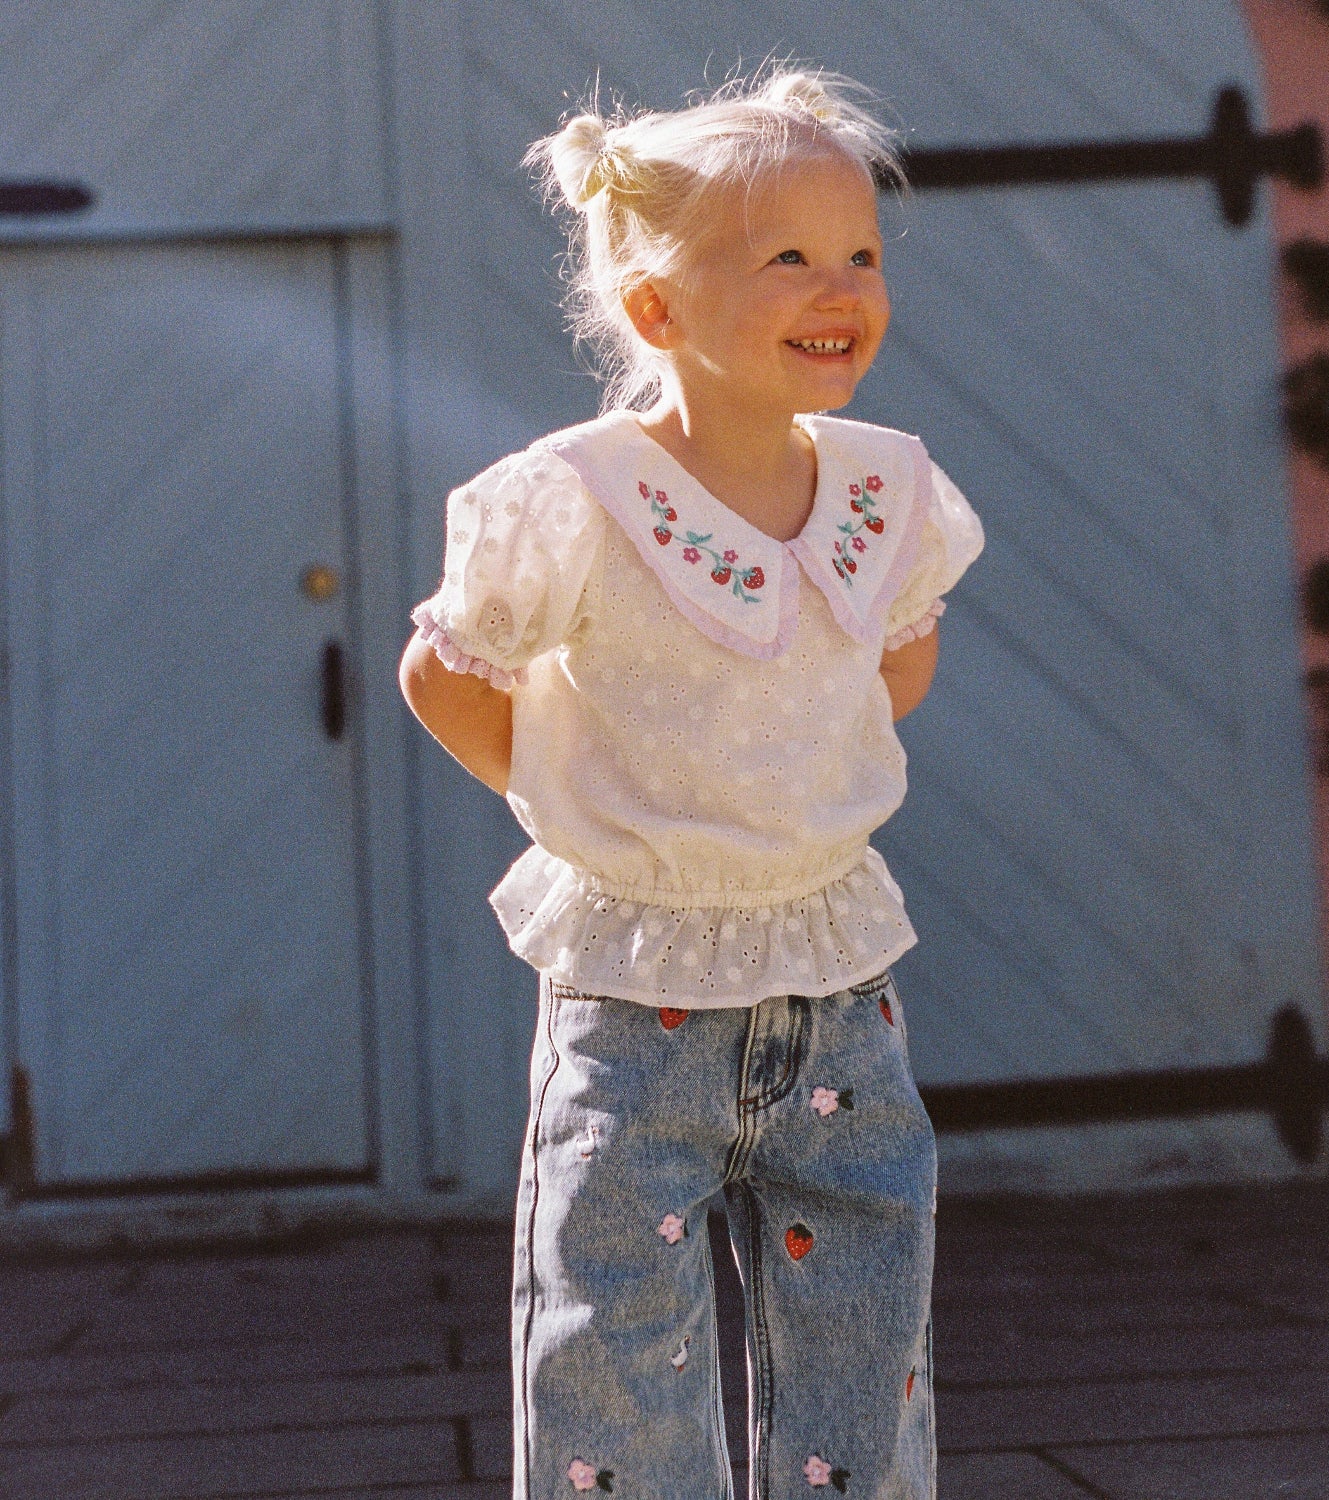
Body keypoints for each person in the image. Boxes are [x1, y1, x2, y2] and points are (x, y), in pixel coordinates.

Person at [399, 65, 983, 1500]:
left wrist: (802, 758)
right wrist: (589, 816)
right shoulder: (581, 498)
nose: (838, 284)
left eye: (858, 252)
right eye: (786, 256)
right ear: (657, 310)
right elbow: (446, 676)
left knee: (865, 1331)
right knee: (611, 1352)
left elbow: (893, 663)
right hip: (635, 994)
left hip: (836, 980)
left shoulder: (880, 491)